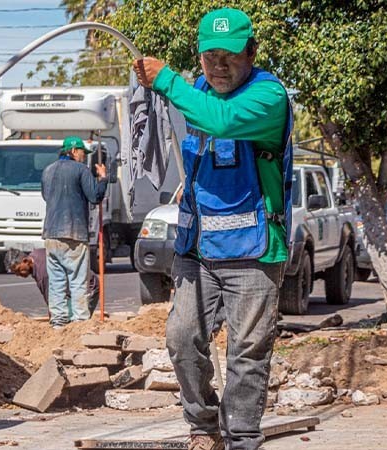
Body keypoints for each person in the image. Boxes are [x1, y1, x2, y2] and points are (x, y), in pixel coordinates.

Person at [132, 8, 293, 450]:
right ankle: (203, 427)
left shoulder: (268, 96)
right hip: (198, 250)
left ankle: (241, 437)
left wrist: (166, 80)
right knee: (182, 338)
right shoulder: (197, 92)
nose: (219, 65)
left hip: (254, 251)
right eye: (210, 56)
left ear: (252, 53)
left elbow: (221, 120)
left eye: (230, 56)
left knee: (247, 352)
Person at [40, 136, 107, 328]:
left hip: (51, 233)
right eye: (82, 153)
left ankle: (58, 323)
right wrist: (102, 178)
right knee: (78, 279)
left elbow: (47, 196)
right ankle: (80, 322)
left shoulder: (48, 170)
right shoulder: (81, 170)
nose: (83, 157)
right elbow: (95, 196)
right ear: (74, 151)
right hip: (74, 233)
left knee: (57, 281)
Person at [8, 248, 100, 313]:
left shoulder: (43, 273)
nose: (18, 274)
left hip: (88, 285)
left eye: (18, 270)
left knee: (75, 321)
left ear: (25, 261)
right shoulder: (35, 254)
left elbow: (53, 303)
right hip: (73, 287)